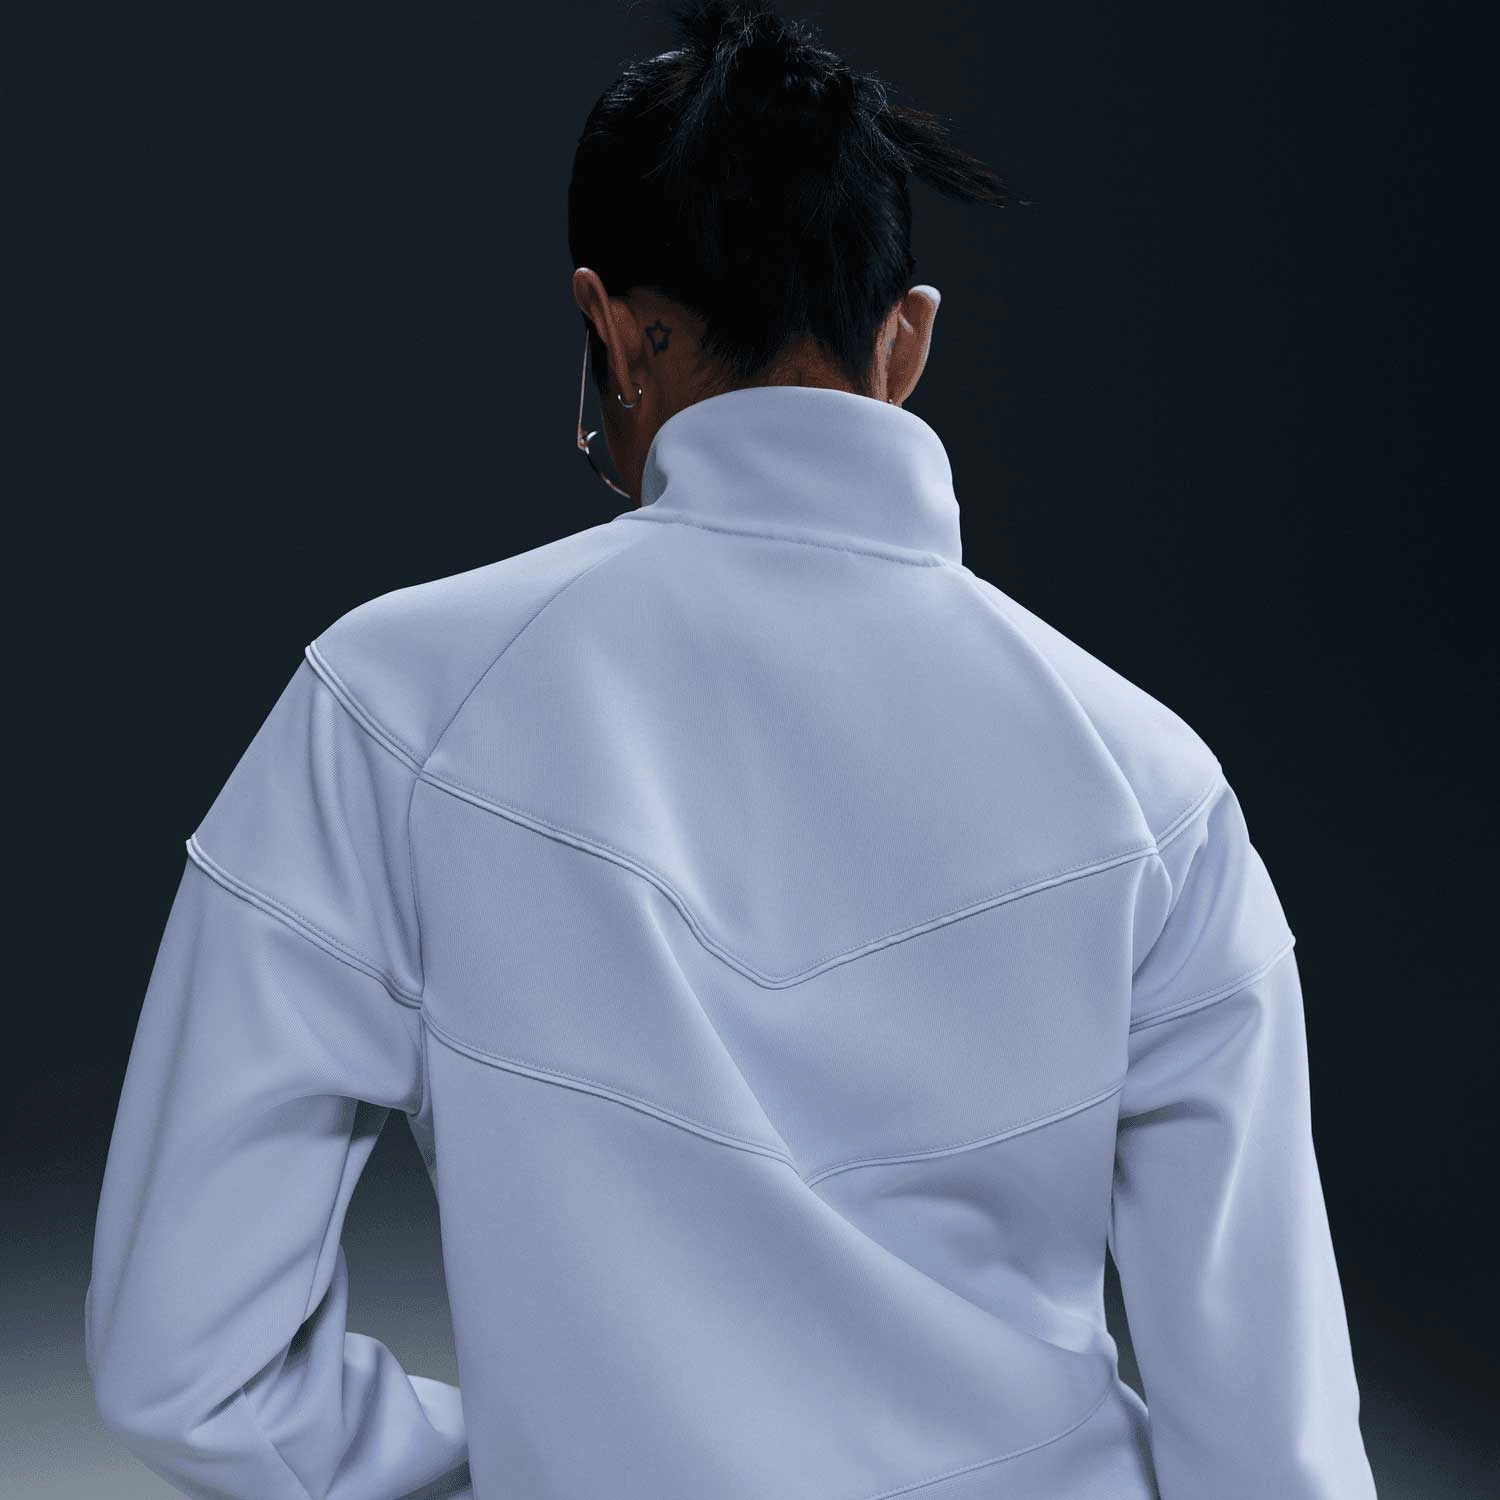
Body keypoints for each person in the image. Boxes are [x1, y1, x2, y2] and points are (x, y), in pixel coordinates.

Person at [84, 2, 1378, 1496]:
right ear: (907, 339)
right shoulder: (1152, 785)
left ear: (613, 333)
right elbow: (1274, 1453)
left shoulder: (395, 708)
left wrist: (546, 1463)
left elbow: (184, 1366)